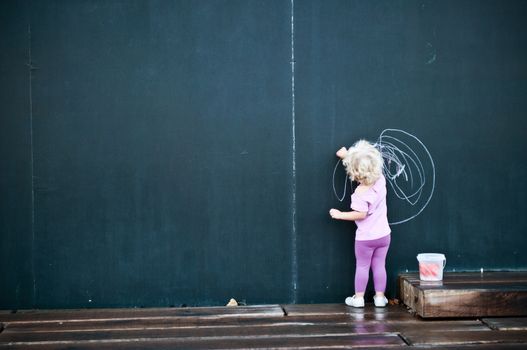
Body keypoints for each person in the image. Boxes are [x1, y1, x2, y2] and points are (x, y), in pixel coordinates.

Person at [329, 140, 391, 308]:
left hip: (365, 239)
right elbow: (365, 163)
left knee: (363, 267)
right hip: (384, 235)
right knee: (379, 266)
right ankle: (380, 298)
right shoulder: (381, 180)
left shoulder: (359, 194)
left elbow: (360, 214)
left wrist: (340, 214)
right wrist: (347, 156)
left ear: (355, 173)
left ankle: (359, 298)